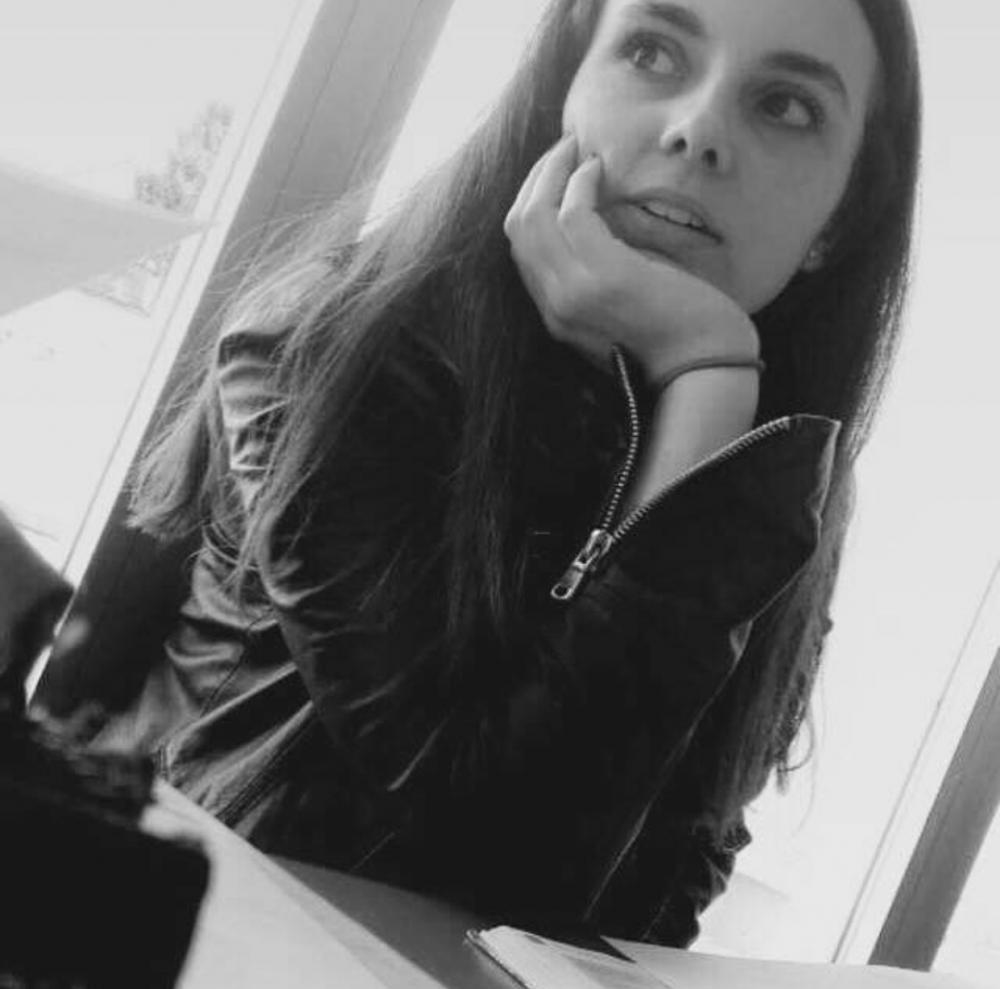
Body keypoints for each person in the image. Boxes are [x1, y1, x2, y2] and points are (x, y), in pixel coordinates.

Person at [74, 0, 921, 946]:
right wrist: (705, 367)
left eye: (786, 106)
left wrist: (707, 409)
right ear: (563, 89)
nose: (698, 129)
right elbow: (491, 868)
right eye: (652, 52)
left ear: (838, 225)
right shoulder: (334, 348)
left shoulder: (774, 471)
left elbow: (677, 866)